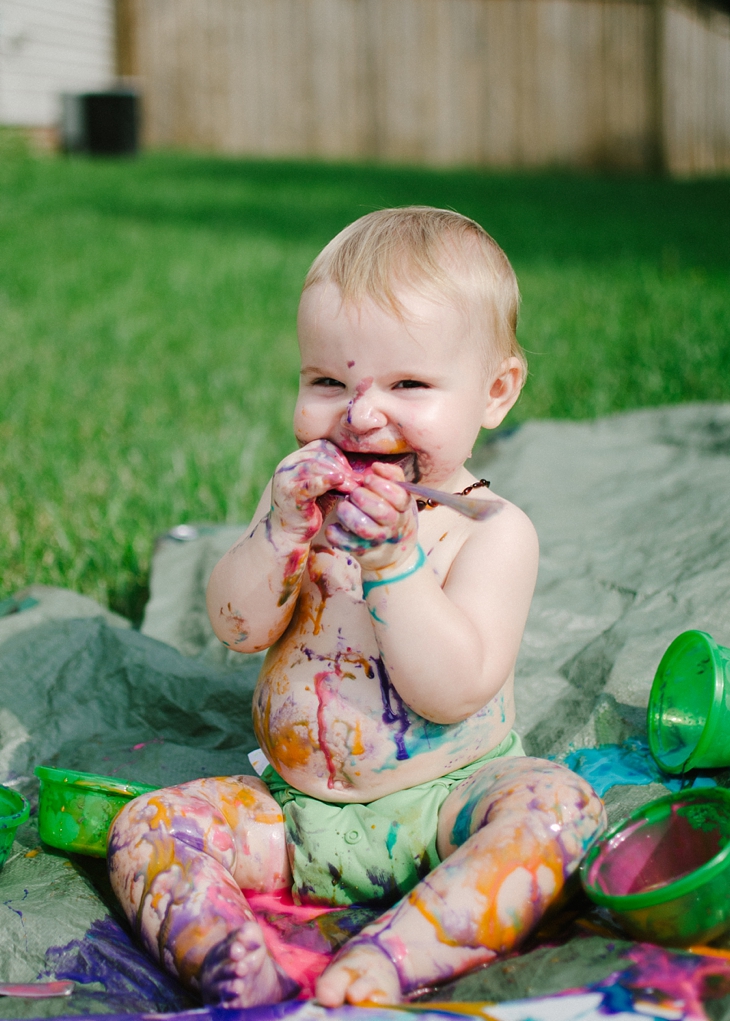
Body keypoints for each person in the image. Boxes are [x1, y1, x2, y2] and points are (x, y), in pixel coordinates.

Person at [108, 208, 605, 1009]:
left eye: (408, 384)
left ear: (496, 392)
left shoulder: (491, 531)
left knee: (558, 810)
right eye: (329, 382)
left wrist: (393, 565)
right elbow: (237, 628)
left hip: (445, 811)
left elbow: (451, 689)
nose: (362, 414)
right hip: (293, 814)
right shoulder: (303, 510)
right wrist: (275, 534)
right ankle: (229, 953)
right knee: (148, 825)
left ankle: (396, 956)